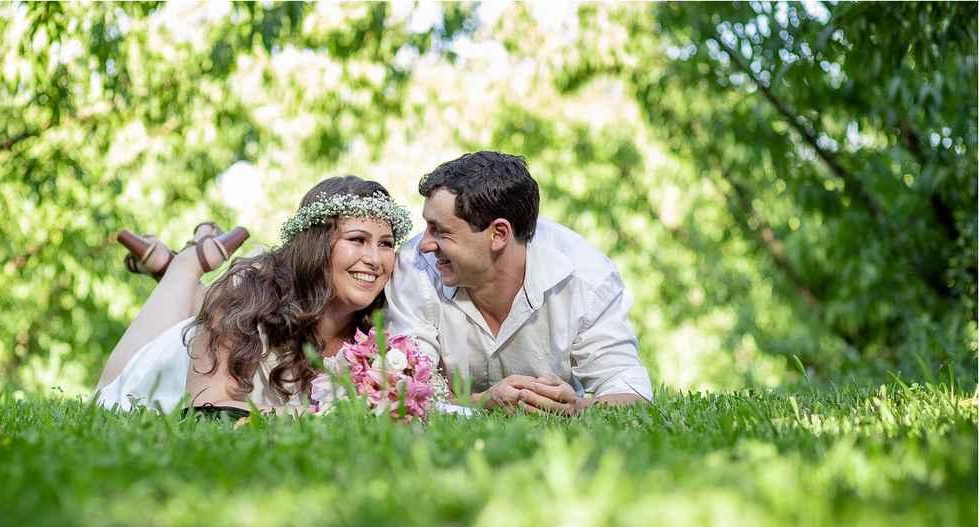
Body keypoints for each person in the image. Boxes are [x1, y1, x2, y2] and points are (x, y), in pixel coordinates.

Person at [94, 176, 413, 416]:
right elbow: (206, 409)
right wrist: (327, 416)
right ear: (316, 244)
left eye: (386, 244)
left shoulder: (387, 325)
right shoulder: (248, 297)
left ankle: (167, 268)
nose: (375, 259)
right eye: (358, 239)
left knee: (209, 305)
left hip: (209, 327)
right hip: (167, 370)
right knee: (103, 396)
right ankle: (188, 262)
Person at [385, 151, 653, 415]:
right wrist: (481, 402)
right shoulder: (415, 267)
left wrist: (575, 407)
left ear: (498, 234)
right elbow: (403, 394)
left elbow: (634, 396)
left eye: (440, 231)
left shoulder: (587, 278)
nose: (425, 244)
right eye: (427, 227)